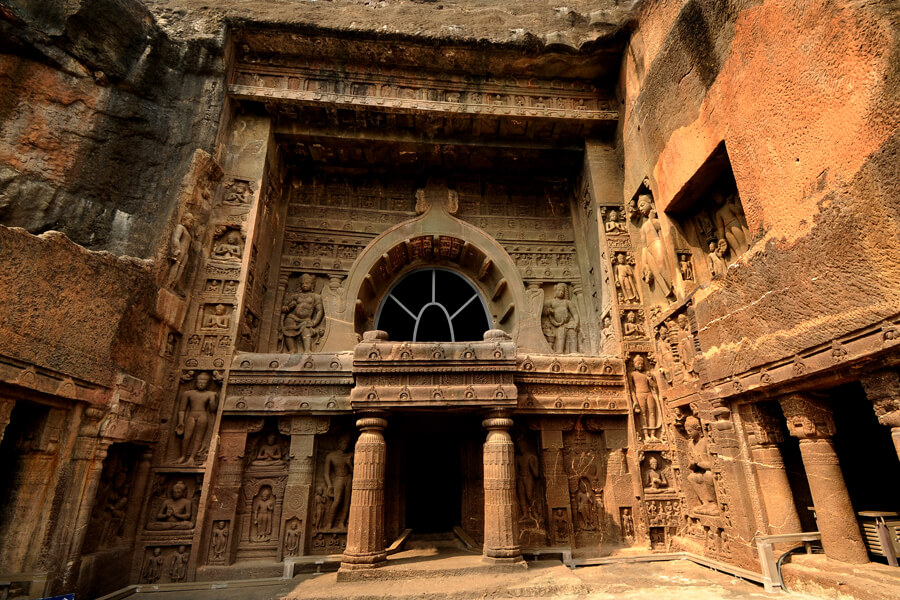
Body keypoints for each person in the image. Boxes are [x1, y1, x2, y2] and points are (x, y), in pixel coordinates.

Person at [636, 188, 676, 298]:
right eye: (639, 207)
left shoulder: (653, 220)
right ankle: (667, 291)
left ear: (651, 203)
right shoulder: (643, 227)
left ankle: (673, 286)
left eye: (642, 205)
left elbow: (662, 226)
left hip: (657, 243)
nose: (640, 208)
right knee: (656, 270)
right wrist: (644, 263)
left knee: (662, 265)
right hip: (649, 248)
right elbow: (644, 246)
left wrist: (653, 219)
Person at [175, 372, 218, 464]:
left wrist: (213, 399)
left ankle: (192, 457)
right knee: (186, 437)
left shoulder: (210, 394)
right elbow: (182, 409)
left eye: (204, 382)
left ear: (208, 384)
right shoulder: (188, 393)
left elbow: (213, 410)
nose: (201, 384)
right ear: (196, 382)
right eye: (199, 382)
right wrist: (180, 422)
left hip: (202, 415)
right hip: (191, 414)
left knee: (199, 438)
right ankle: (183, 456)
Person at [280, 274, 325, 352]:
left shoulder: (316, 297)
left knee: (306, 330)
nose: (304, 285)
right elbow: (282, 308)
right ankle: (292, 349)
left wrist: (314, 322)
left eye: (307, 283)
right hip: (292, 317)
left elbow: (319, 311)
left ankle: (307, 349)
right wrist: (288, 308)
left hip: (306, 320)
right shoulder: (295, 296)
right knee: (288, 328)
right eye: (302, 283)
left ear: (312, 285)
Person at [685, 416, 719, 515]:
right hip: (700, 471)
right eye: (687, 431)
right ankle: (706, 502)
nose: (688, 433)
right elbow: (692, 466)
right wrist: (692, 464)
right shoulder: (691, 444)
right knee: (691, 477)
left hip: (709, 471)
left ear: (698, 429)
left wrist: (699, 463)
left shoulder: (705, 442)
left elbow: (713, 464)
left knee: (708, 475)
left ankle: (715, 503)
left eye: (690, 431)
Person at [323, 434, 354, 531]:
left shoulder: (351, 455)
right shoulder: (331, 456)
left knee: (347, 502)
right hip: (338, 478)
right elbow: (326, 473)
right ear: (339, 443)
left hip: (349, 478)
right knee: (337, 501)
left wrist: (349, 464)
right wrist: (329, 485)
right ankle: (329, 523)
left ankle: (342, 523)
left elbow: (356, 472)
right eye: (344, 443)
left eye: (347, 443)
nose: (346, 445)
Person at [630, 355, 663, 442]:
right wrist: (635, 401)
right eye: (638, 363)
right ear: (634, 364)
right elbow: (631, 389)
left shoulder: (647, 374)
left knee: (652, 413)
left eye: (642, 363)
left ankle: (653, 434)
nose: (640, 365)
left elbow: (654, 387)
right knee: (643, 414)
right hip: (639, 394)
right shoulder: (632, 374)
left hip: (649, 394)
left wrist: (650, 380)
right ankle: (645, 435)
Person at [541, 283, 580, 354]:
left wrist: (576, 322)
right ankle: (560, 350)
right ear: (555, 291)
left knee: (573, 333)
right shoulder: (551, 302)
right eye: (559, 290)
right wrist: (548, 311)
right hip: (557, 324)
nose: (561, 292)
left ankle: (574, 350)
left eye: (563, 291)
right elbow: (542, 311)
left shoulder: (567, 302)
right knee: (561, 333)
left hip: (568, 322)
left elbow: (575, 313)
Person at [164, 213, 194, 289]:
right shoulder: (180, 227)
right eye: (190, 221)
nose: (191, 224)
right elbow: (176, 238)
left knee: (181, 269)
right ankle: (168, 284)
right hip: (181, 249)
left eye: (192, 223)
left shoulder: (188, 233)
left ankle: (173, 286)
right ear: (184, 220)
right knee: (176, 265)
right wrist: (177, 249)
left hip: (186, 253)